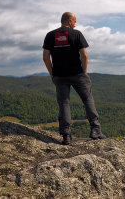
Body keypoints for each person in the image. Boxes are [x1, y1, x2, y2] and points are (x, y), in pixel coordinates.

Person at [42, 12, 106, 145]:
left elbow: (45, 57)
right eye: (75, 21)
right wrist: (84, 71)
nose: (75, 24)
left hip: (59, 75)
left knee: (64, 103)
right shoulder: (76, 34)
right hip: (78, 74)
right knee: (88, 99)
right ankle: (95, 130)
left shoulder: (50, 35)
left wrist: (52, 73)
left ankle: (66, 136)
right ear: (70, 21)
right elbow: (84, 55)